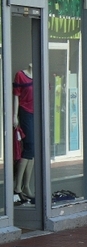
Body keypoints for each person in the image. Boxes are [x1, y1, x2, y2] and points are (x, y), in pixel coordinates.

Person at [13, 63, 35, 204]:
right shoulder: (20, 75)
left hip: (37, 113)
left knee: (32, 151)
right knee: (29, 147)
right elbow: (16, 96)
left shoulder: (39, 75)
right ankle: (17, 187)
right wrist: (15, 115)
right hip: (25, 112)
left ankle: (25, 186)